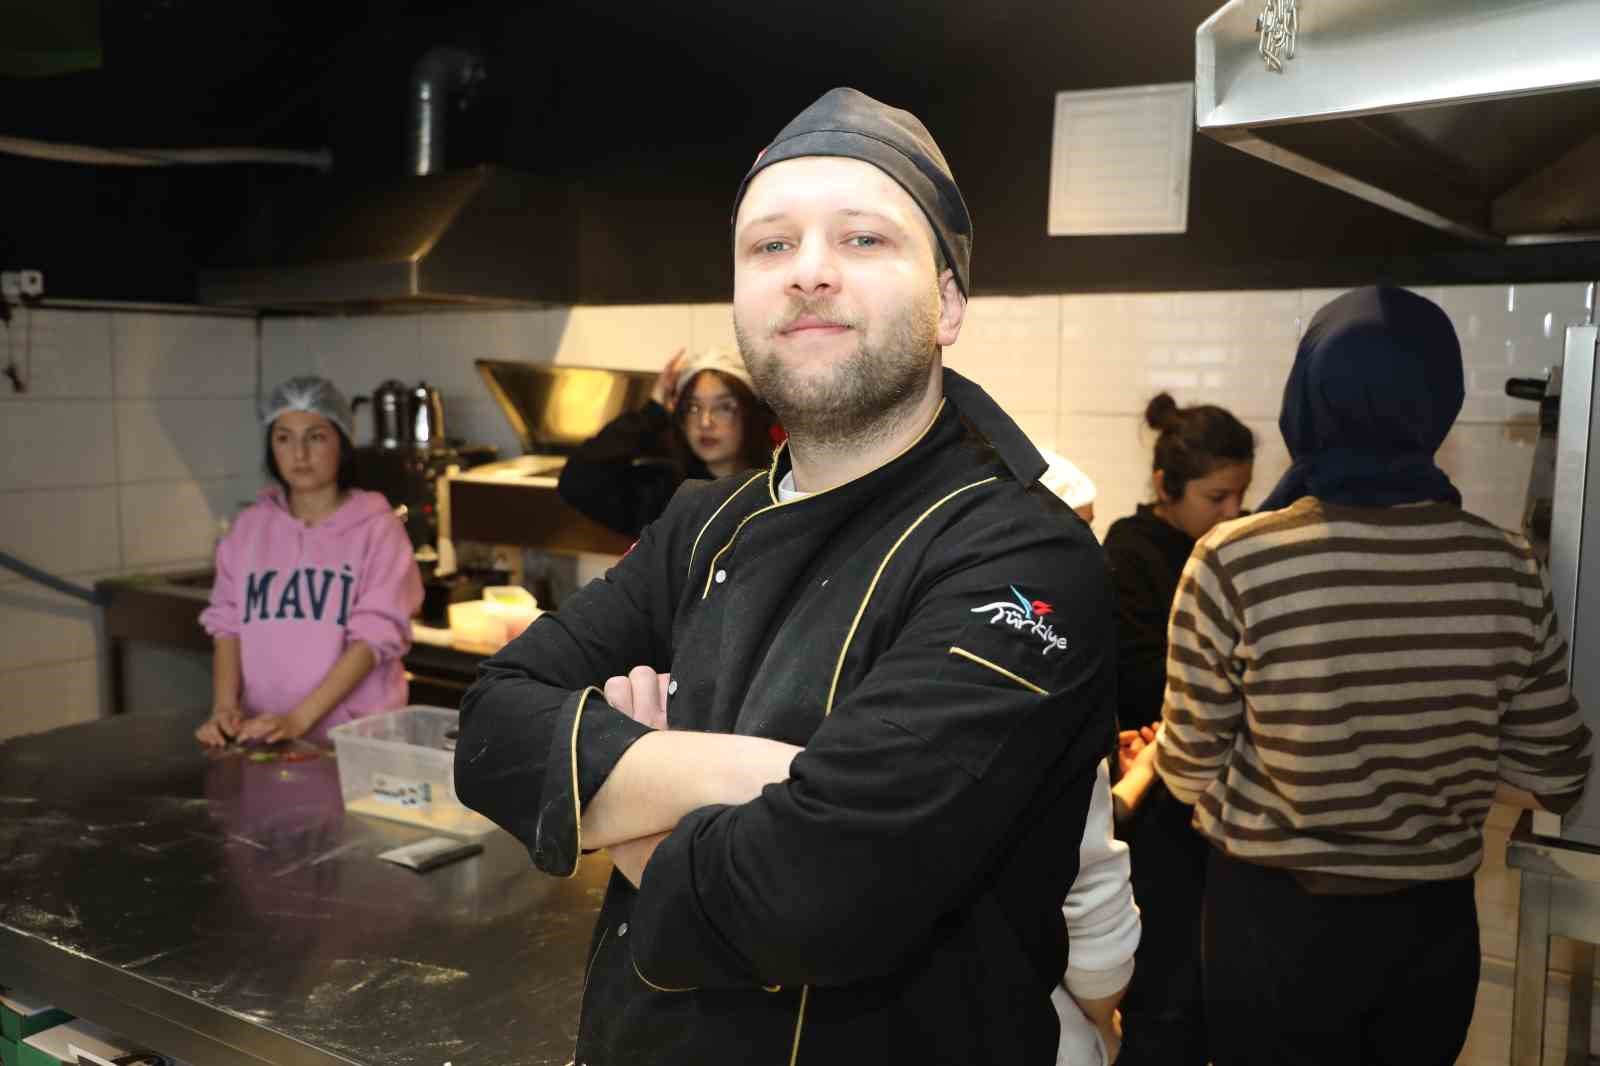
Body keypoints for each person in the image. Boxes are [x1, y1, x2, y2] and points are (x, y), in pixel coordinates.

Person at [455, 87, 1124, 1065]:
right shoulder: (699, 523)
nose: (808, 271)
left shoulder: (1024, 557)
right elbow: (489, 730)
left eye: (863, 238)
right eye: (770, 245)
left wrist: (628, 793)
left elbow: (816, 896)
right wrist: (758, 777)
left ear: (946, 303)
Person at [1155, 286, 1593, 1066]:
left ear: (1305, 397)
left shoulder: (1234, 559)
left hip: (1271, 932)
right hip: (1429, 934)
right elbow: (1556, 773)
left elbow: (1186, 771)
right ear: (1440, 404)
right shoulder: (1506, 566)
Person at [1100, 392, 1254, 1065]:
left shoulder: (1234, 552)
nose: (1233, 513)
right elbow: (1141, 679)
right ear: (1166, 487)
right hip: (1155, 800)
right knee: (1163, 994)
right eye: (1216, 498)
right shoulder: (1133, 552)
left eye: (1241, 496)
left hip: (1213, 805)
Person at [196, 377, 423, 748]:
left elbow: (374, 637)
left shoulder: (378, 529)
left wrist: (298, 720)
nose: (299, 454)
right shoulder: (249, 528)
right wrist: (224, 709)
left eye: (315, 437)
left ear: (342, 442)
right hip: (266, 733)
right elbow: (227, 623)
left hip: (356, 743)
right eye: (284, 438)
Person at [556, 346, 779, 537]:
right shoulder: (665, 495)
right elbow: (578, 480)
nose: (705, 422)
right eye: (693, 407)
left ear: (750, 414)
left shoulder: (778, 491)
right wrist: (654, 411)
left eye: (724, 407)